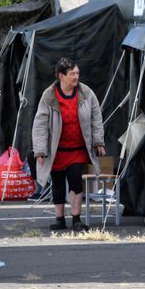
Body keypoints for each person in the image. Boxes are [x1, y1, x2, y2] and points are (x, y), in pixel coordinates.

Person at [32, 57, 106, 232]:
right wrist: (40, 149)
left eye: (77, 73)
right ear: (61, 76)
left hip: (77, 149)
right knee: (57, 183)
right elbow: (40, 123)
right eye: (72, 74)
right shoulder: (49, 96)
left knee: (74, 179)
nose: (76, 77)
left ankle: (76, 218)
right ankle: (59, 219)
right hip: (56, 150)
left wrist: (98, 141)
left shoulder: (86, 93)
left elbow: (96, 117)